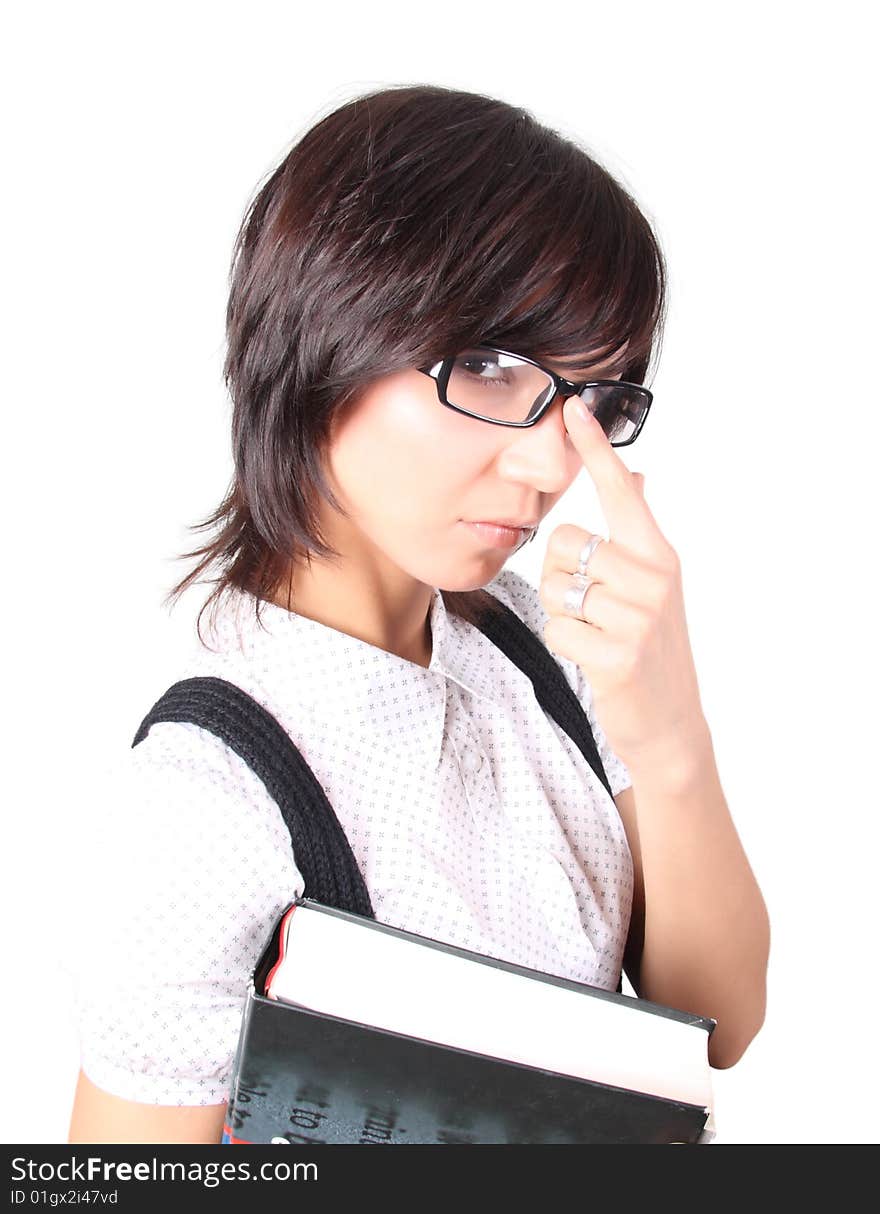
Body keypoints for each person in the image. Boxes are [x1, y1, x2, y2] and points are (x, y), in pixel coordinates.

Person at [67, 83, 770, 1144]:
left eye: (592, 401)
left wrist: (672, 743)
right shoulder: (208, 795)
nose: (545, 465)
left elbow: (717, 1024)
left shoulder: (544, 645)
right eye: (490, 368)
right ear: (324, 329)